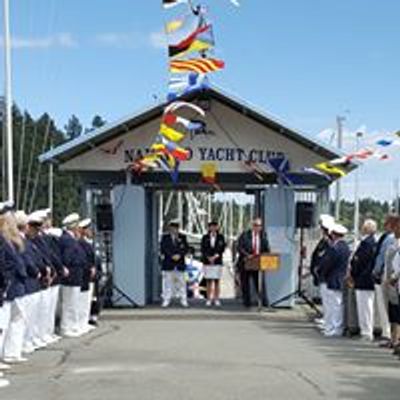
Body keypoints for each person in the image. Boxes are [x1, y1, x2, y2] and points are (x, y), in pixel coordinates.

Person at [59, 213, 88, 337]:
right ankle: (66, 327)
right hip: (71, 274)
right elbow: (67, 257)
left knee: (73, 302)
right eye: (76, 225)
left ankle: (71, 325)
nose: (77, 227)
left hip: (76, 274)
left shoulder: (72, 239)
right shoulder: (66, 239)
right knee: (69, 303)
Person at [320, 223, 351, 337]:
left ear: (334, 235)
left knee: (334, 305)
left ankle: (335, 328)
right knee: (336, 305)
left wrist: (321, 271)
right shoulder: (345, 247)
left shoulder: (335, 248)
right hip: (339, 278)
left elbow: (327, 264)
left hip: (333, 278)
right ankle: (334, 327)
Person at [350, 219, 378, 341]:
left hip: (363, 279)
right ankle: (365, 331)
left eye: (363, 226)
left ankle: (366, 332)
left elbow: (359, 261)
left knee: (365, 307)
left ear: (367, 229)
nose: (362, 228)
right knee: (365, 307)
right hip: (365, 279)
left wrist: (354, 273)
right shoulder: (371, 242)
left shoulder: (367, 243)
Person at [372, 215, 397, 344]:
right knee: (388, 307)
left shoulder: (389, 239)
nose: (384, 224)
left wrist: (376, 271)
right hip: (388, 275)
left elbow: (381, 257)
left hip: (387, 276)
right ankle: (389, 334)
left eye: (386, 222)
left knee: (385, 306)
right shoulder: (389, 238)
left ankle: (387, 333)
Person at [237, 218, 270, 308]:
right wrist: (247, 255)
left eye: (259, 225)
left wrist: (263, 255)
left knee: (260, 283)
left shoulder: (263, 236)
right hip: (245, 263)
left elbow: (266, 249)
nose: (257, 227)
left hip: (258, 263)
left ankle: (264, 302)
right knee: (245, 283)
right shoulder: (245, 235)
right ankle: (247, 302)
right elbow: (239, 248)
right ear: (252, 226)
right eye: (255, 225)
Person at [310, 214, 334, 330]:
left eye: (323, 227)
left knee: (329, 300)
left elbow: (325, 256)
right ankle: (326, 318)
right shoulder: (324, 240)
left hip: (326, 274)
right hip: (321, 273)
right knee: (325, 299)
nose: (321, 229)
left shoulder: (329, 241)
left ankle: (328, 320)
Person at [160, 220, 189, 308]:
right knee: (167, 282)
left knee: (182, 282)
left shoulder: (182, 237)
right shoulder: (165, 237)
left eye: (176, 228)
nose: (174, 230)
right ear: (170, 228)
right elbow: (163, 248)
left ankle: (183, 299)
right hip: (169, 262)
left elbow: (186, 248)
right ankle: (166, 299)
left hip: (180, 263)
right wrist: (172, 255)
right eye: (172, 228)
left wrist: (179, 255)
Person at [77, 218, 96, 333]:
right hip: (85, 274)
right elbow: (85, 258)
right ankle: (81, 322)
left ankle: (85, 321)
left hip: (90, 274)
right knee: (82, 301)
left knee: (88, 300)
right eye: (88, 229)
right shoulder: (81, 243)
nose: (91, 231)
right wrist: (90, 267)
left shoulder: (89, 242)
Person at [384, 215, 400, 353]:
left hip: (395, 282)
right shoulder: (393, 242)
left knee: (397, 313)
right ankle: (394, 340)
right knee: (393, 312)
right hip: (393, 283)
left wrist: (394, 277)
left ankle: (396, 340)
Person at [201, 222, 226, 307]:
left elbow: (222, 248)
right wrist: (208, 257)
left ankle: (216, 299)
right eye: (211, 226)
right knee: (208, 281)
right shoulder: (205, 237)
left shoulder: (221, 237)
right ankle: (208, 299)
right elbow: (203, 249)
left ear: (217, 227)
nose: (213, 228)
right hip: (207, 261)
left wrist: (215, 256)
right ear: (209, 228)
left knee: (216, 281)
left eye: (215, 226)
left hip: (217, 260)